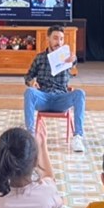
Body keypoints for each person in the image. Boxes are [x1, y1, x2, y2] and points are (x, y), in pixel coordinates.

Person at [23, 25, 85, 153]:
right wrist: (31, 82)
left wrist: (73, 59)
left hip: (61, 99)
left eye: (61, 39)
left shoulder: (67, 57)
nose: (59, 42)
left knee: (80, 93)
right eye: (55, 38)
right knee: (29, 92)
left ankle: (78, 137)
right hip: (43, 97)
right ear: (48, 39)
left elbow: (74, 61)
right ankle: (31, 136)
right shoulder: (40, 58)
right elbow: (28, 76)